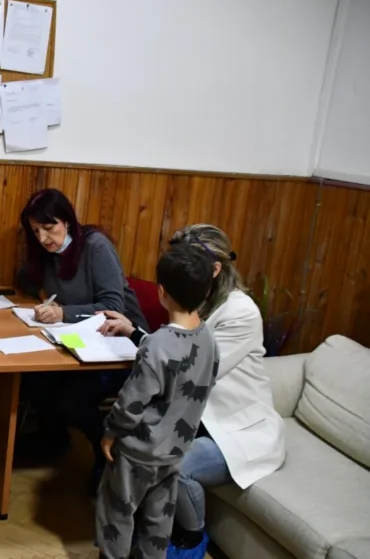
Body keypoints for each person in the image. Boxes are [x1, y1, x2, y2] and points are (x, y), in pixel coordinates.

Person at [100, 224, 286, 558]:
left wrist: (146, 347)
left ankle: (192, 534)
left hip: (235, 432)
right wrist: (134, 332)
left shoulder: (240, 312)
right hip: (195, 418)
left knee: (171, 464)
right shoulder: (199, 303)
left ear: (215, 269)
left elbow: (191, 372)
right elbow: (174, 354)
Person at [15, 188, 148, 489]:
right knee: (35, 379)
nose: (43, 238)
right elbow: (25, 276)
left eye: (49, 228)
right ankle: (54, 439)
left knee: (71, 399)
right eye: (36, 231)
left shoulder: (95, 246)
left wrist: (63, 313)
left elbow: (114, 307)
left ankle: (107, 452)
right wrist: (42, 298)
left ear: (68, 221)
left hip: (120, 346)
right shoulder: (47, 252)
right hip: (79, 343)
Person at [95, 243, 219, 559]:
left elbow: (131, 403)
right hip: (175, 451)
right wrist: (136, 333)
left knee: (116, 515)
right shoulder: (208, 339)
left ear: (161, 292)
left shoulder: (159, 346)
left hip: (138, 453)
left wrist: (110, 432)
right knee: (159, 520)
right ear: (206, 293)